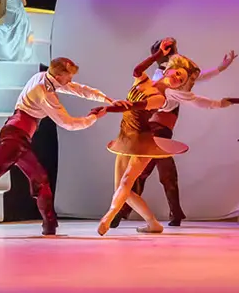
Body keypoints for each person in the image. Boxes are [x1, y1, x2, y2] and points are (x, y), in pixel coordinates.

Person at [0, 57, 115, 238]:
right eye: (69, 76)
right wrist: (93, 118)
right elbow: (68, 123)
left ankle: (49, 224)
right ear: (59, 76)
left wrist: (108, 100)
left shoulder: (42, 77)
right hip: (16, 137)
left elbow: (78, 89)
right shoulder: (45, 93)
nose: (70, 80)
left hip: (17, 135)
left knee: (39, 179)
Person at [97, 43, 237, 236]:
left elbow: (198, 87)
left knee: (138, 178)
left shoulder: (169, 94)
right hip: (126, 135)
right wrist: (157, 55)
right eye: (176, 72)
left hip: (150, 134)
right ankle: (150, 221)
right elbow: (137, 71)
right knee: (126, 186)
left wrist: (221, 73)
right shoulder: (151, 77)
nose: (177, 77)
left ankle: (113, 215)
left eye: (181, 78)